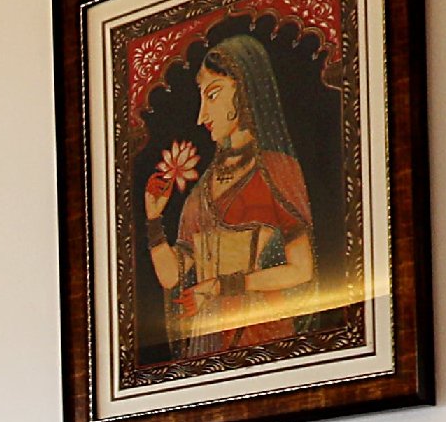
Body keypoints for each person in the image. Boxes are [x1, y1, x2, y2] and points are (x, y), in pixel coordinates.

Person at [139, 33, 330, 342]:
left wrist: (223, 286)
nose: (202, 116)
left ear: (244, 91)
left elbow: (301, 270)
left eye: (213, 95)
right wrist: (153, 220)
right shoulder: (201, 191)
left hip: (262, 331)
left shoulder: (277, 169)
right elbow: (171, 277)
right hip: (209, 338)